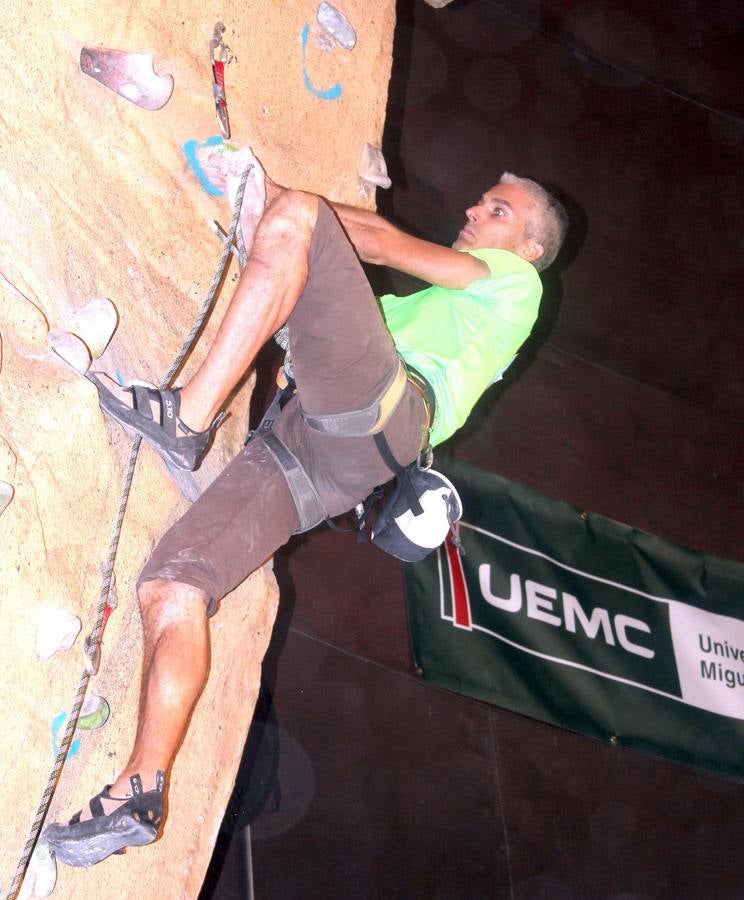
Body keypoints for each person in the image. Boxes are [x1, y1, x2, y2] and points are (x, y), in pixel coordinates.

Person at [44, 147, 568, 866]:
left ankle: (185, 419)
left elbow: (371, 241)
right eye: (481, 201)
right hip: (329, 460)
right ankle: (140, 783)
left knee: (299, 218)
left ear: (530, 248)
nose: (474, 211)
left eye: (497, 210)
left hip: (382, 415)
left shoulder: (517, 285)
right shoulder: (423, 314)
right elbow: (313, 304)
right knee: (175, 586)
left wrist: (275, 197)